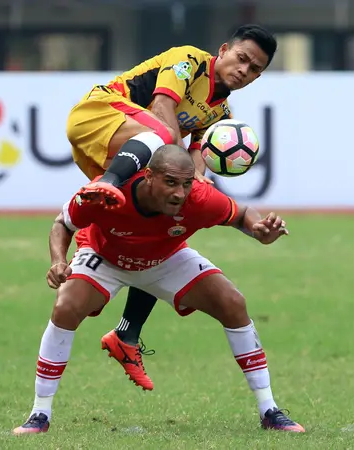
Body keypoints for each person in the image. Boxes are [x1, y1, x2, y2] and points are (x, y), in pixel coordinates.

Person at [12, 145, 304, 434]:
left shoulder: (199, 198)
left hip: (165, 258)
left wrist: (259, 230)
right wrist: (58, 261)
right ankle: (40, 413)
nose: (180, 193)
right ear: (148, 176)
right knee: (65, 308)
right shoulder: (107, 193)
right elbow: (63, 223)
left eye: (187, 183)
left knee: (233, 303)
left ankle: (269, 410)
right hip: (105, 257)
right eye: (171, 182)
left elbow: (241, 214)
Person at [64, 24, 278, 392]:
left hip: (126, 151)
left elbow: (196, 163)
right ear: (224, 50)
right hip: (99, 115)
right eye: (242, 58)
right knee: (163, 139)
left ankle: (126, 335)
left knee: (168, 218)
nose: (245, 70)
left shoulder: (220, 112)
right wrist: (184, 171)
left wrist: (195, 191)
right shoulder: (189, 60)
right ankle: (107, 188)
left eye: (255, 69)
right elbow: (163, 109)